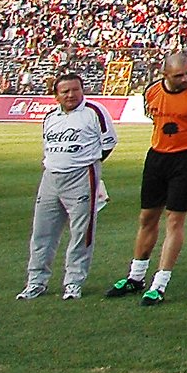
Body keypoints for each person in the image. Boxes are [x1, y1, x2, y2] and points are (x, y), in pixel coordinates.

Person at [109, 51, 187, 305]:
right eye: (180, 75)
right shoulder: (152, 91)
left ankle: (160, 283)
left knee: (175, 220)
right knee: (147, 217)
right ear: (165, 74)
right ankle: (136, 277)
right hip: (157, 157)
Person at [21, 72, 114, 300]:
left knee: (81, 233)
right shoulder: (50, 117)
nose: (71, 95)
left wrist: (86, 163)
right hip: (51, 178)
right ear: (56, 96)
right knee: (42, 233)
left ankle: (73, 282)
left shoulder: (94, 112)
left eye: (76, 89)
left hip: (82, 177)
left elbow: (108, 142)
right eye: (65, 91)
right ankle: (36, 282)